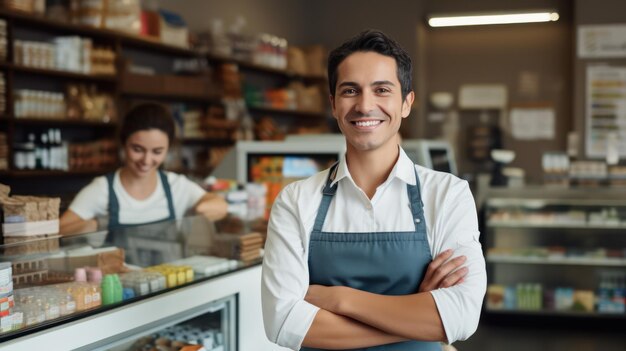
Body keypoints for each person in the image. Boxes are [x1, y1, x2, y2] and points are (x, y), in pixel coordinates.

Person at [261, 30, 486, 351]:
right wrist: (417, 315)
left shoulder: (448, 194)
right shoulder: (296, 200)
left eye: (382, 90)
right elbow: (282, 322)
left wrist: (339, 299)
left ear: (407, 102)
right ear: (334, 105)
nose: (365, 105)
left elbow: (462, 317)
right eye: (350, 90)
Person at [60, 103, 228, 235]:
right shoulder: (102, 190)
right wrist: (95, 225)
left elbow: (219, 205)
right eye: (138, 149)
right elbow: (58, 232)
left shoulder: (176, 186)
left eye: (157, 152)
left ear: (168, 149)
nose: (146, 160)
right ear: (124, 144)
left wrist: (200, 210)